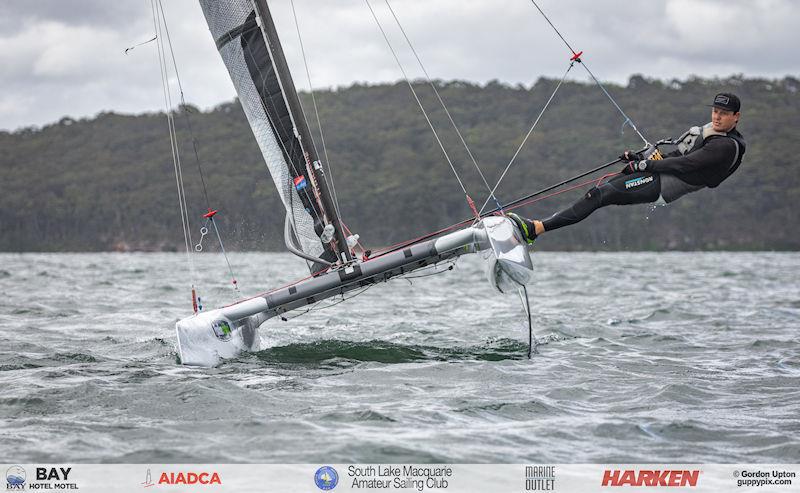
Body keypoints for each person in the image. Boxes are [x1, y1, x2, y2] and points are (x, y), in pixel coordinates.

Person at [507, 92, 746, 243]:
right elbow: (675, 155)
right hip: (659, 175)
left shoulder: (724, 146)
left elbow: (686, 164)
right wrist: (639, 157)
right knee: (601, 191)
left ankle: (535, 229)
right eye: (715, 111)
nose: (717, 117)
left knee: (600, 194)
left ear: (736, 117)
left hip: (665, 186)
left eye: (724, 114)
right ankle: (534, 229)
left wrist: (644, 164)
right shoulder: (713, 133)